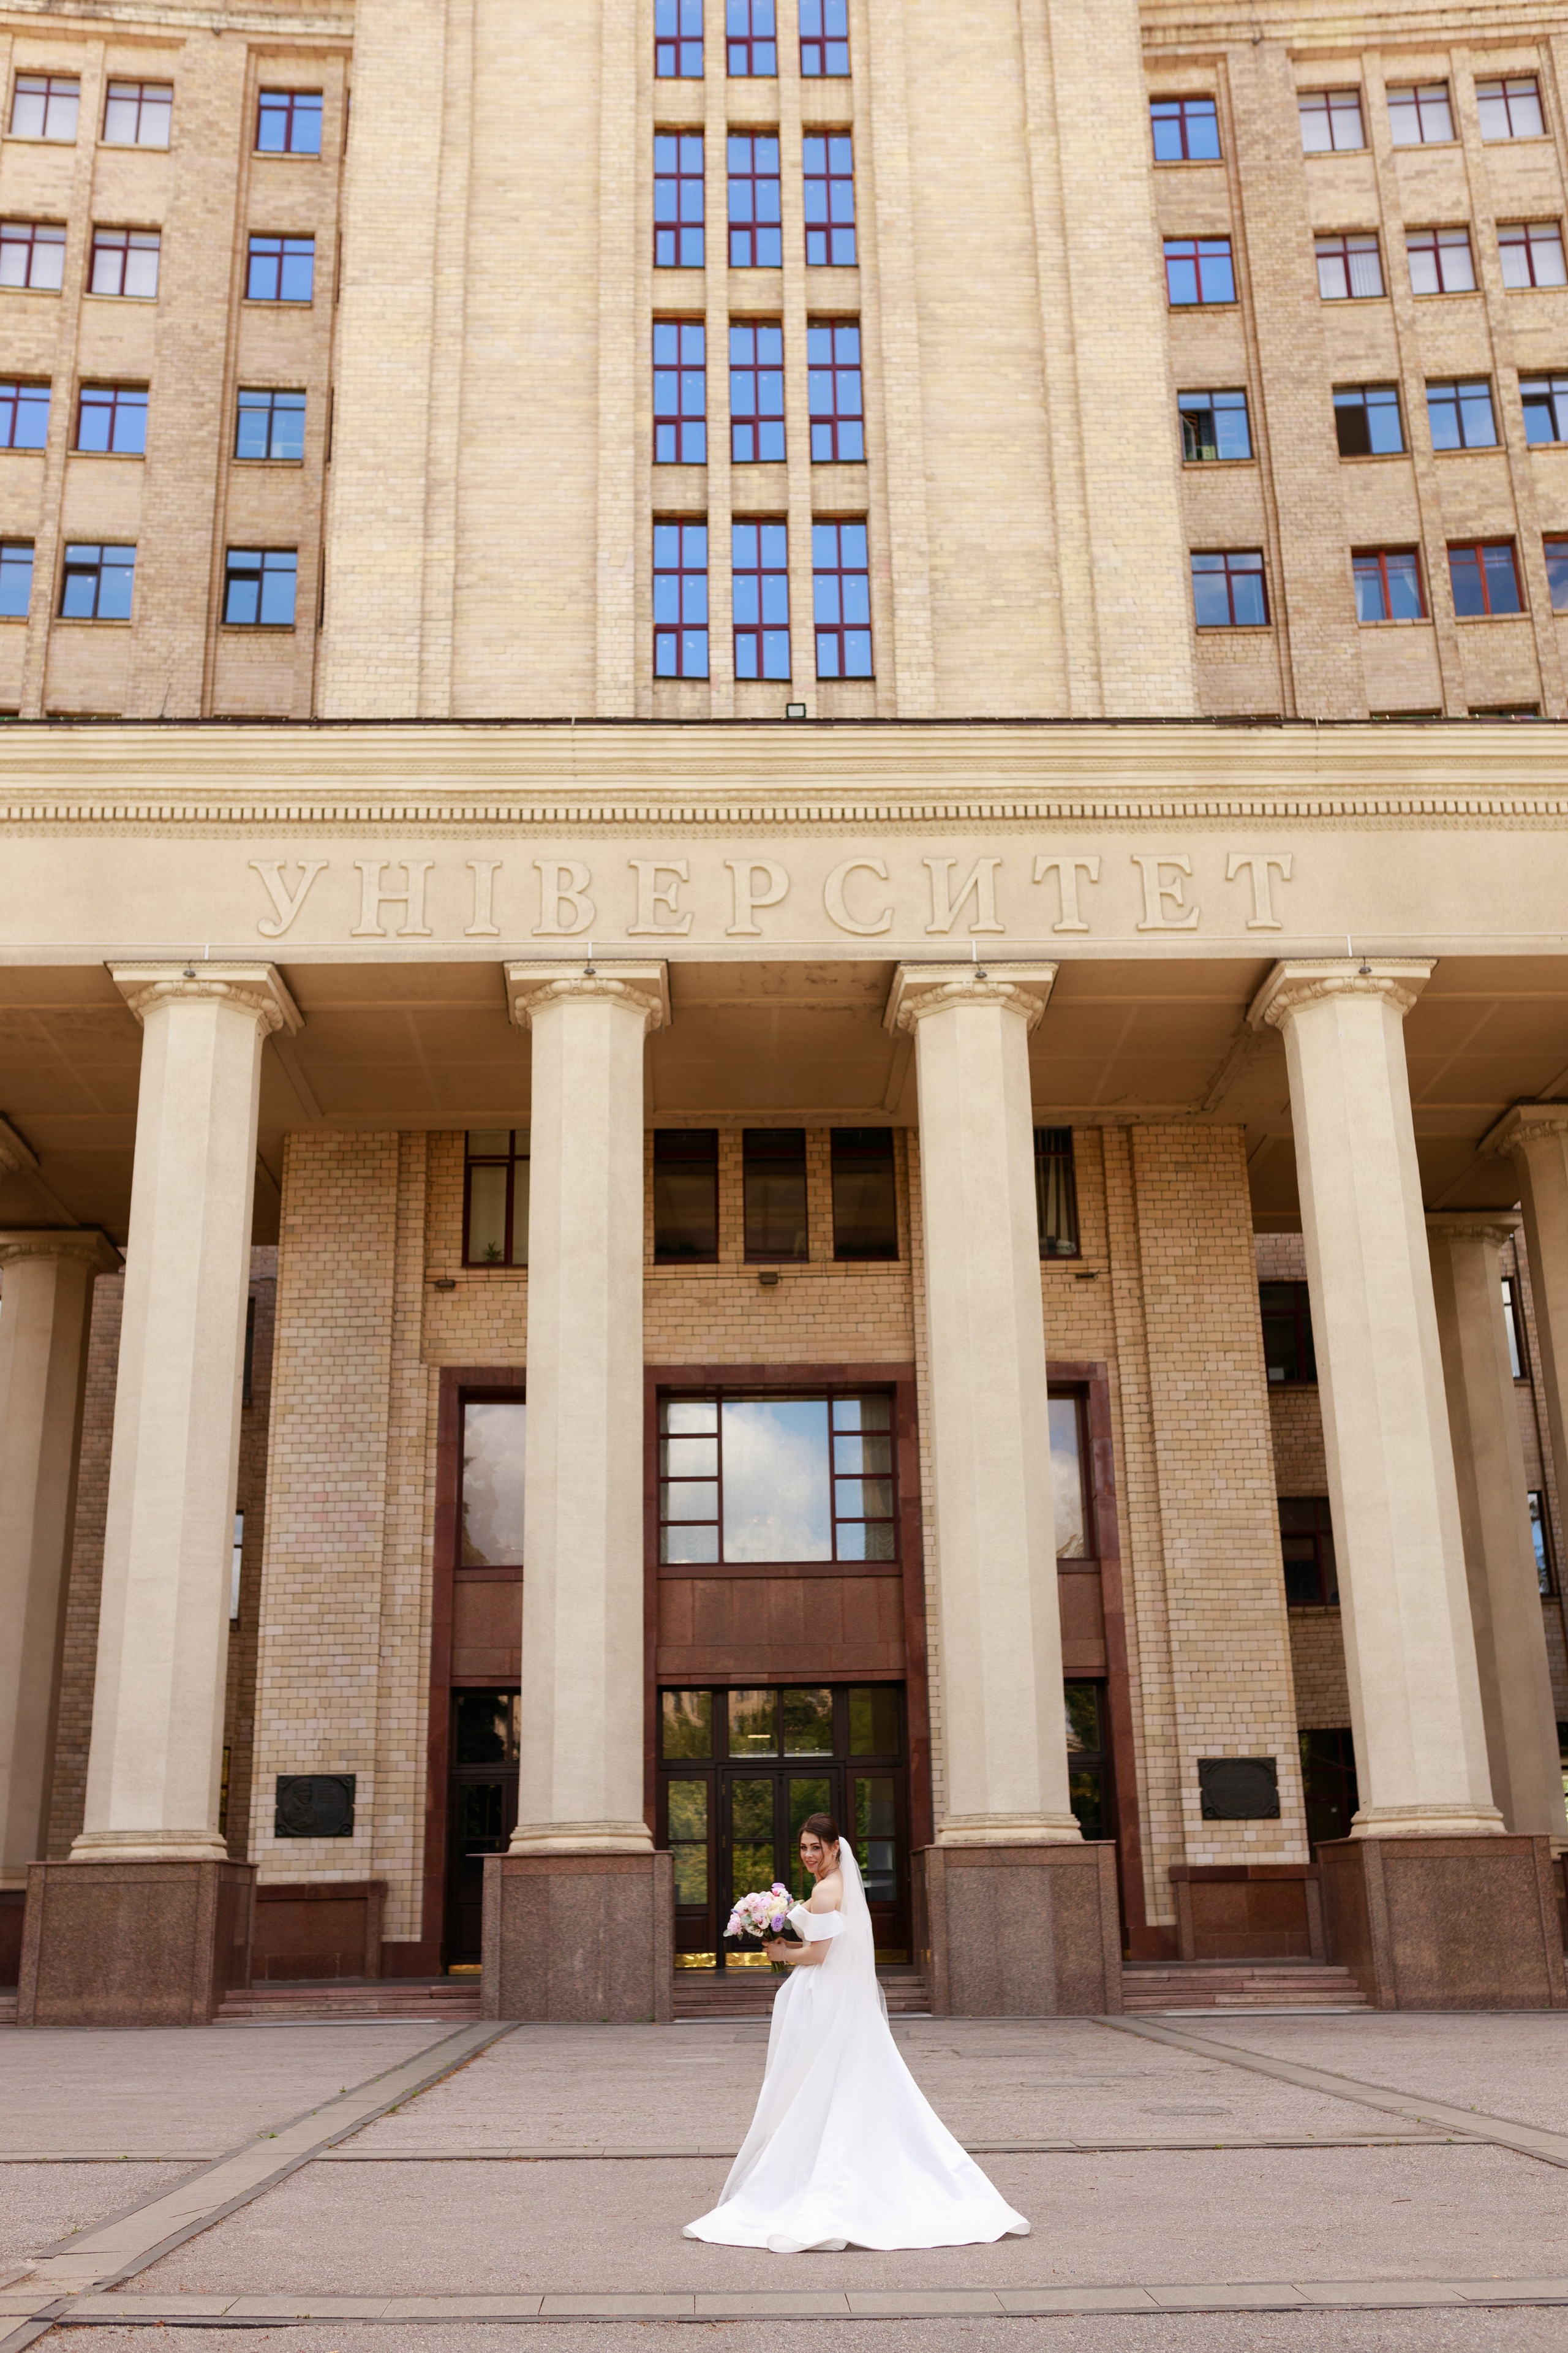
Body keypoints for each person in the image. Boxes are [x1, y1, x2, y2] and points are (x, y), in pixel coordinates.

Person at [683, 1811, 1029, 2255]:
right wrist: (786, 1944)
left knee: (821, 2083)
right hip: (836, 1995)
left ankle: (820, 2183)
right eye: (804, 1847)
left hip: (827, 1995)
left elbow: (820, 1955)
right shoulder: (838, 1886)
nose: (809, 1854)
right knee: (841, 2084)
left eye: (816, 1847)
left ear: (834, 1847)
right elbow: (829, 1948)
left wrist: (780, 1950)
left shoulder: (827, 1891)